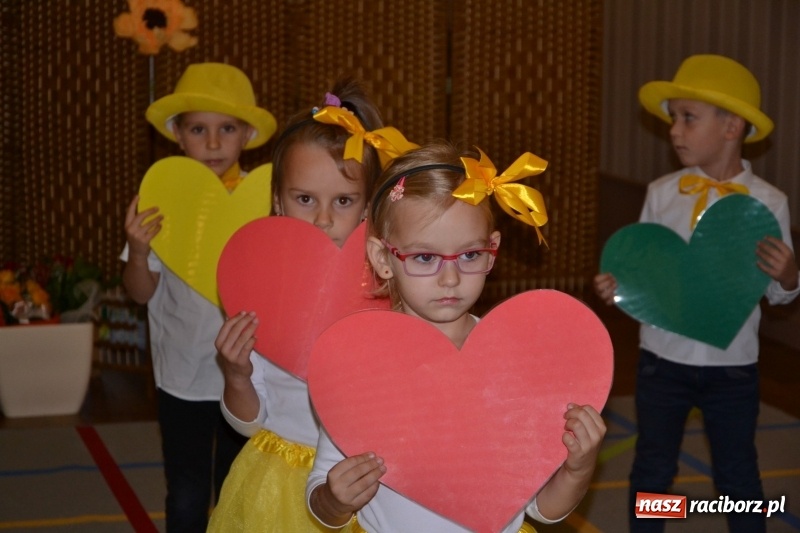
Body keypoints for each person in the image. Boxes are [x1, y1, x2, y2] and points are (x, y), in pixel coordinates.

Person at [306, 140, 607, 532]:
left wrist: (577, 469)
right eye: (425, 258)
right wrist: (333, 499)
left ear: (492, 250)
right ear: (383, 259)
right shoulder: (360, 365)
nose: (450, 278)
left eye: (469, 255)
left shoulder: (516, 362)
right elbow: (321, 498)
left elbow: (543, 508)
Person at [594, 54, 800, 533]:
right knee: (653, 471)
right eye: (673, 118)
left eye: (688, 118)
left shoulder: (769, 203)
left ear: (732, 127)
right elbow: (646, 270)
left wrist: (790, 276)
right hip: (661, 361)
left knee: (737, 475)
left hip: (733, 368)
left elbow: (779, 295)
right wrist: (619, 285)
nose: (674, 130)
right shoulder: (664, 192)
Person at [207, 78, 417, 532]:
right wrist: (237, 374)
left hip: (369, 485)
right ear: (279, 201)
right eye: (305, 199)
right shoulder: (258, 293)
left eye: (343, 201)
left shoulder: (394, 287)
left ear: (367, 208)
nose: (323, 219)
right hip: (279, 483)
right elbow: (248, 422)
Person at [121, 62, 277, 532]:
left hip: (250, 376)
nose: (213, 143)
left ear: (247, 134)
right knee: (187, 492)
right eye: (198, 129)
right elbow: (139, 292)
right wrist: (139, 251)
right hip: (182, 378)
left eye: (226, 128)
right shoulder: (160, 201)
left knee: (238, 489)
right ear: (177, 134)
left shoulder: (266, 200)